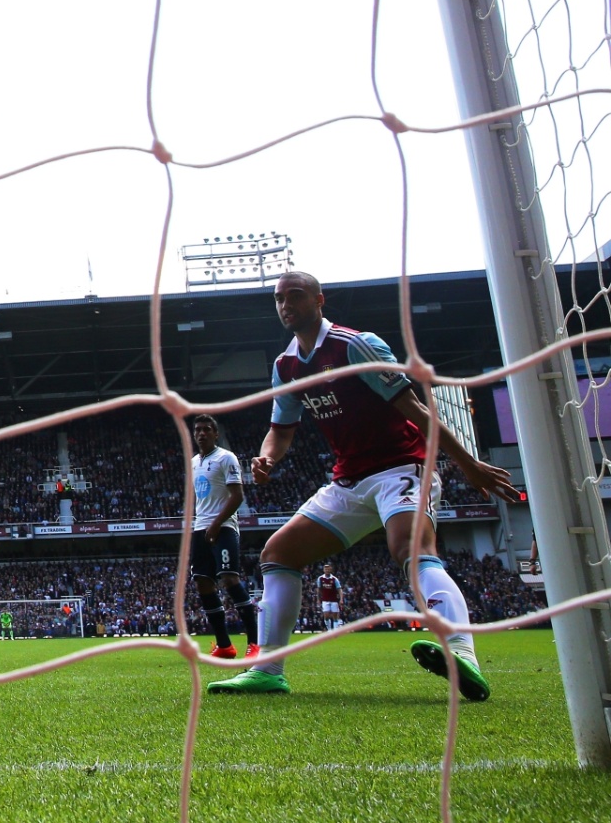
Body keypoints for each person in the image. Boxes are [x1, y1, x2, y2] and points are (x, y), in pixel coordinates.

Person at [208, 270, 517, 699]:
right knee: (278, 553)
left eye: (294, 295)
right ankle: (268, 670)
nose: (285, 305)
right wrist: (267, 458)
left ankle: (462, 653)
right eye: (278, 298)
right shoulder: (286, 366)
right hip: (350, 480)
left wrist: (468, 464)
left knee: (409, 549)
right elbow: (281, 428)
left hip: (403, 468)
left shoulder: (355, 345)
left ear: (320, 300)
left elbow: (415, 408)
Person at [187, 414, 258, 661]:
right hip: (201, 528)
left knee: (229, 579)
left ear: (216, 434)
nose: (202, 433)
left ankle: (254, 643)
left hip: (224, 526)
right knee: (202, 583)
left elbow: (237, 496)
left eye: (207, 429)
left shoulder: (226, 458)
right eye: (198, 430)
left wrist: (216, 524)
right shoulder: (194, 462)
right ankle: (224, 644)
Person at [316, 562, 347, 632]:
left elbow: (339, 589)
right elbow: (318, 589)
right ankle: (329, 630)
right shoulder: (320, 578)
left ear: (330, 570)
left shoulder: (334, 579)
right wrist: (318, 599)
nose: (327, 570)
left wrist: (341, 599)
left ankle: (335, 631)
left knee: (335, 616)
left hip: (334, 600)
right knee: (326, 615)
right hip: (325, 600)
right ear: (324, 570)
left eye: (328, 569)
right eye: (325, 569)